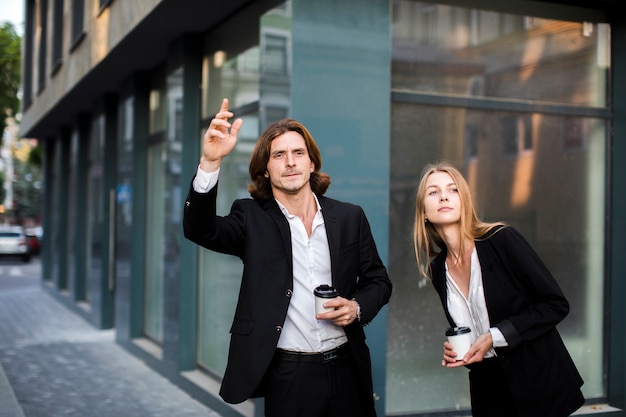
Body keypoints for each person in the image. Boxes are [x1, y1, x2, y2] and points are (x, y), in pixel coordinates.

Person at [183, 98, 392, 417]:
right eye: (278, 155)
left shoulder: (350, 217)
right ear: (265, 170)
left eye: (298, 153)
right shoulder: (250, 218)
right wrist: (210, 162)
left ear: (312, 163)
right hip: (289, 374)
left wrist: (357, 307)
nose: (290, 162)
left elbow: (379, 281)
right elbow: (200, 229)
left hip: (348, 366)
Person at [412, 161, 584, 417]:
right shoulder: (439, 270)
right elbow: (474, 326)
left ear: (464, 201)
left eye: (453, 189)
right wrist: (461, 348)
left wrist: (495, 336)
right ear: (424, 212)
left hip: (538, 385)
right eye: (433, 192)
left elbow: (555, 304)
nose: (444, 196)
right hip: (489, 391)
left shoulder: (502, 239)